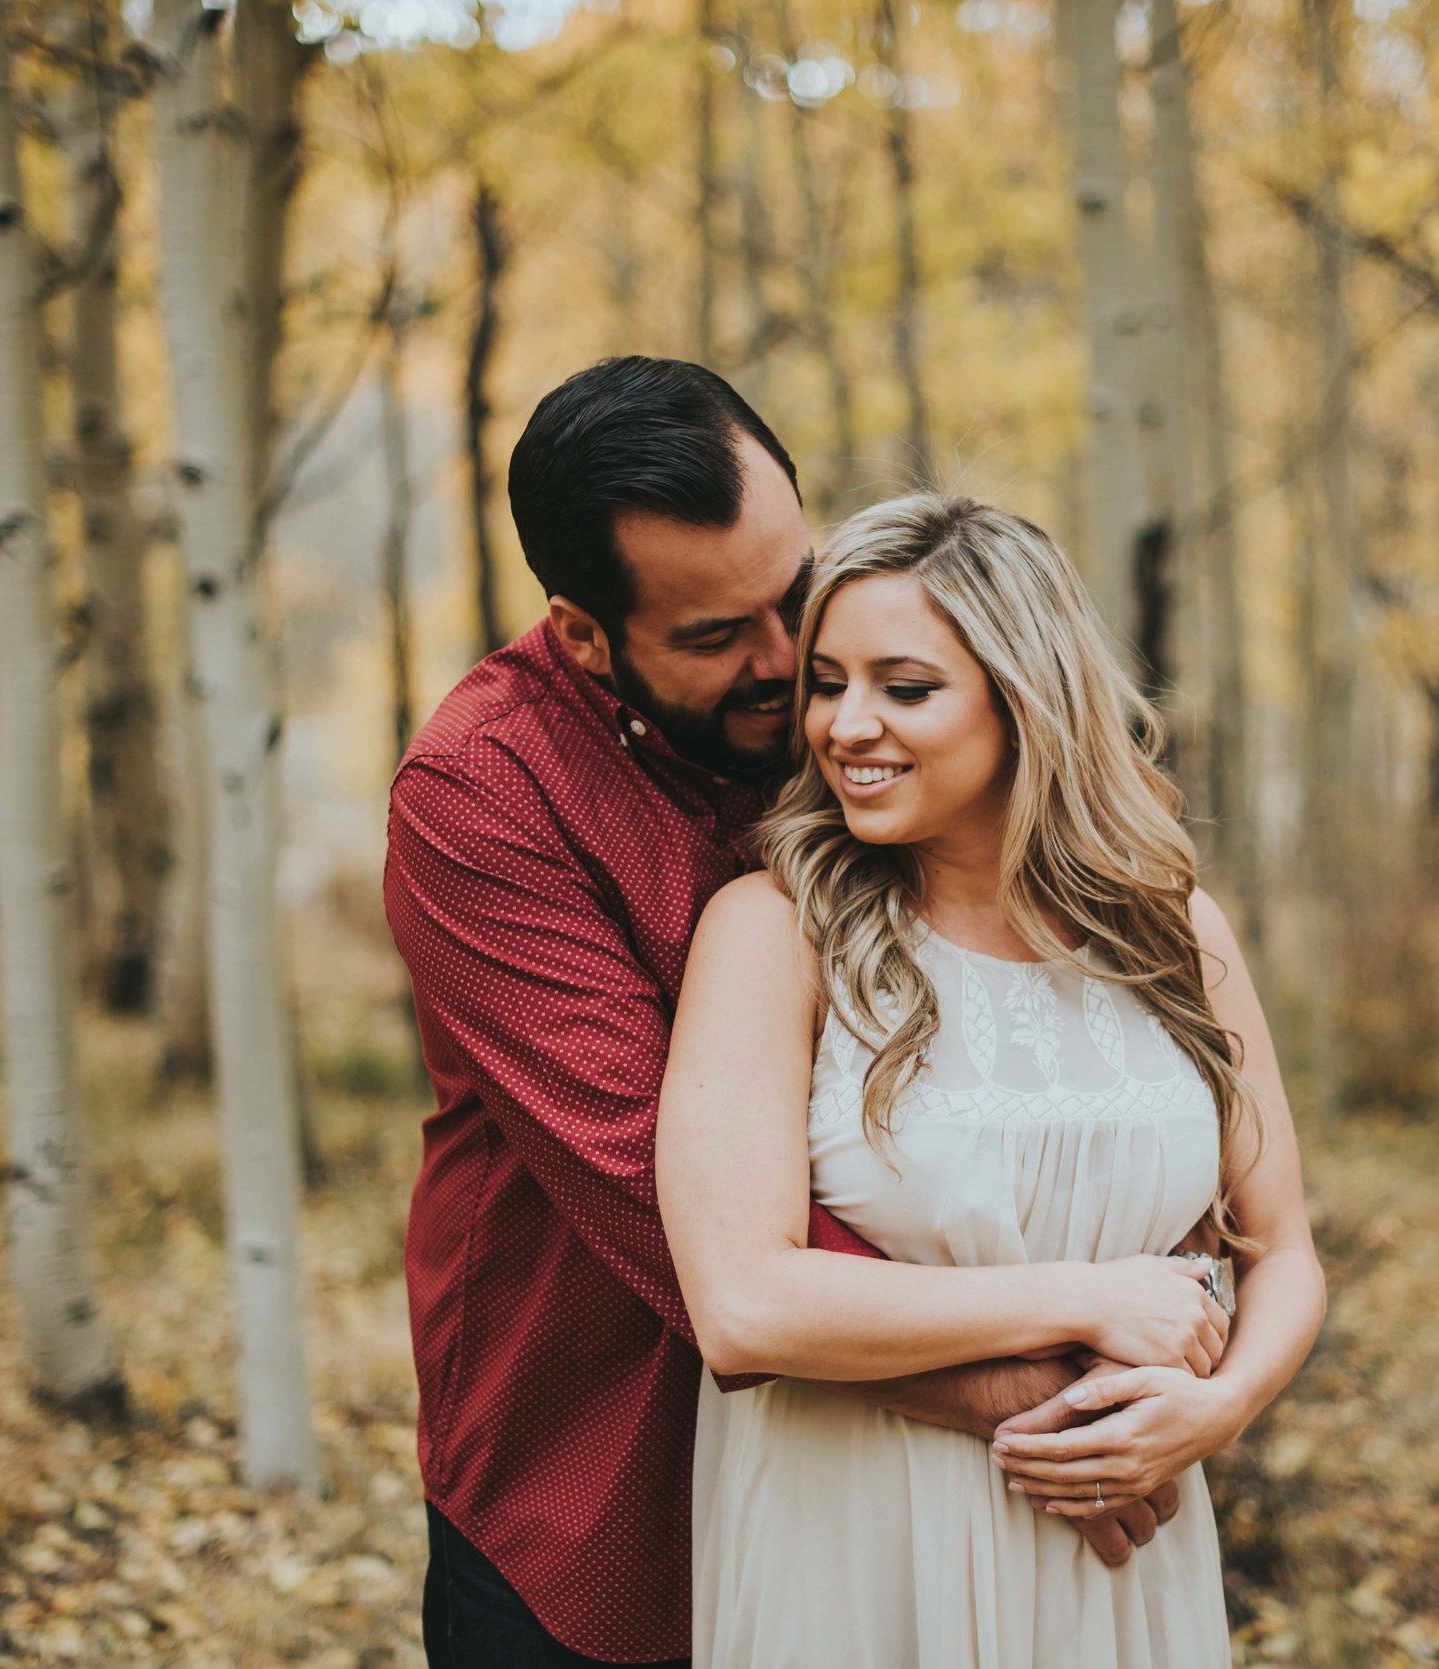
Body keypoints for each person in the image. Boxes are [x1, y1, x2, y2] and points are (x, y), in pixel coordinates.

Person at [384, 359, 1195, 1669]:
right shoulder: (483, 795)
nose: (786, 665)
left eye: (792, 594)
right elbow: (664, 1210)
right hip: (590, 1477)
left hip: (890, 1498)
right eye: (714, 638)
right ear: (586, 633)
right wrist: (1038, 1397)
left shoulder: (856, 697)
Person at [657, 494, 1328, 1667]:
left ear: (1026, 700)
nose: (844, 726)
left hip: (1119, 1539)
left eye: (904, 687)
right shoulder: (773, 930)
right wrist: (1087, 1298)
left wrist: (1215, 1410)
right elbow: (744, 1303)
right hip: (853, 1536)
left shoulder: (1174, 929)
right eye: (827, 682)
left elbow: (1284, 1251)